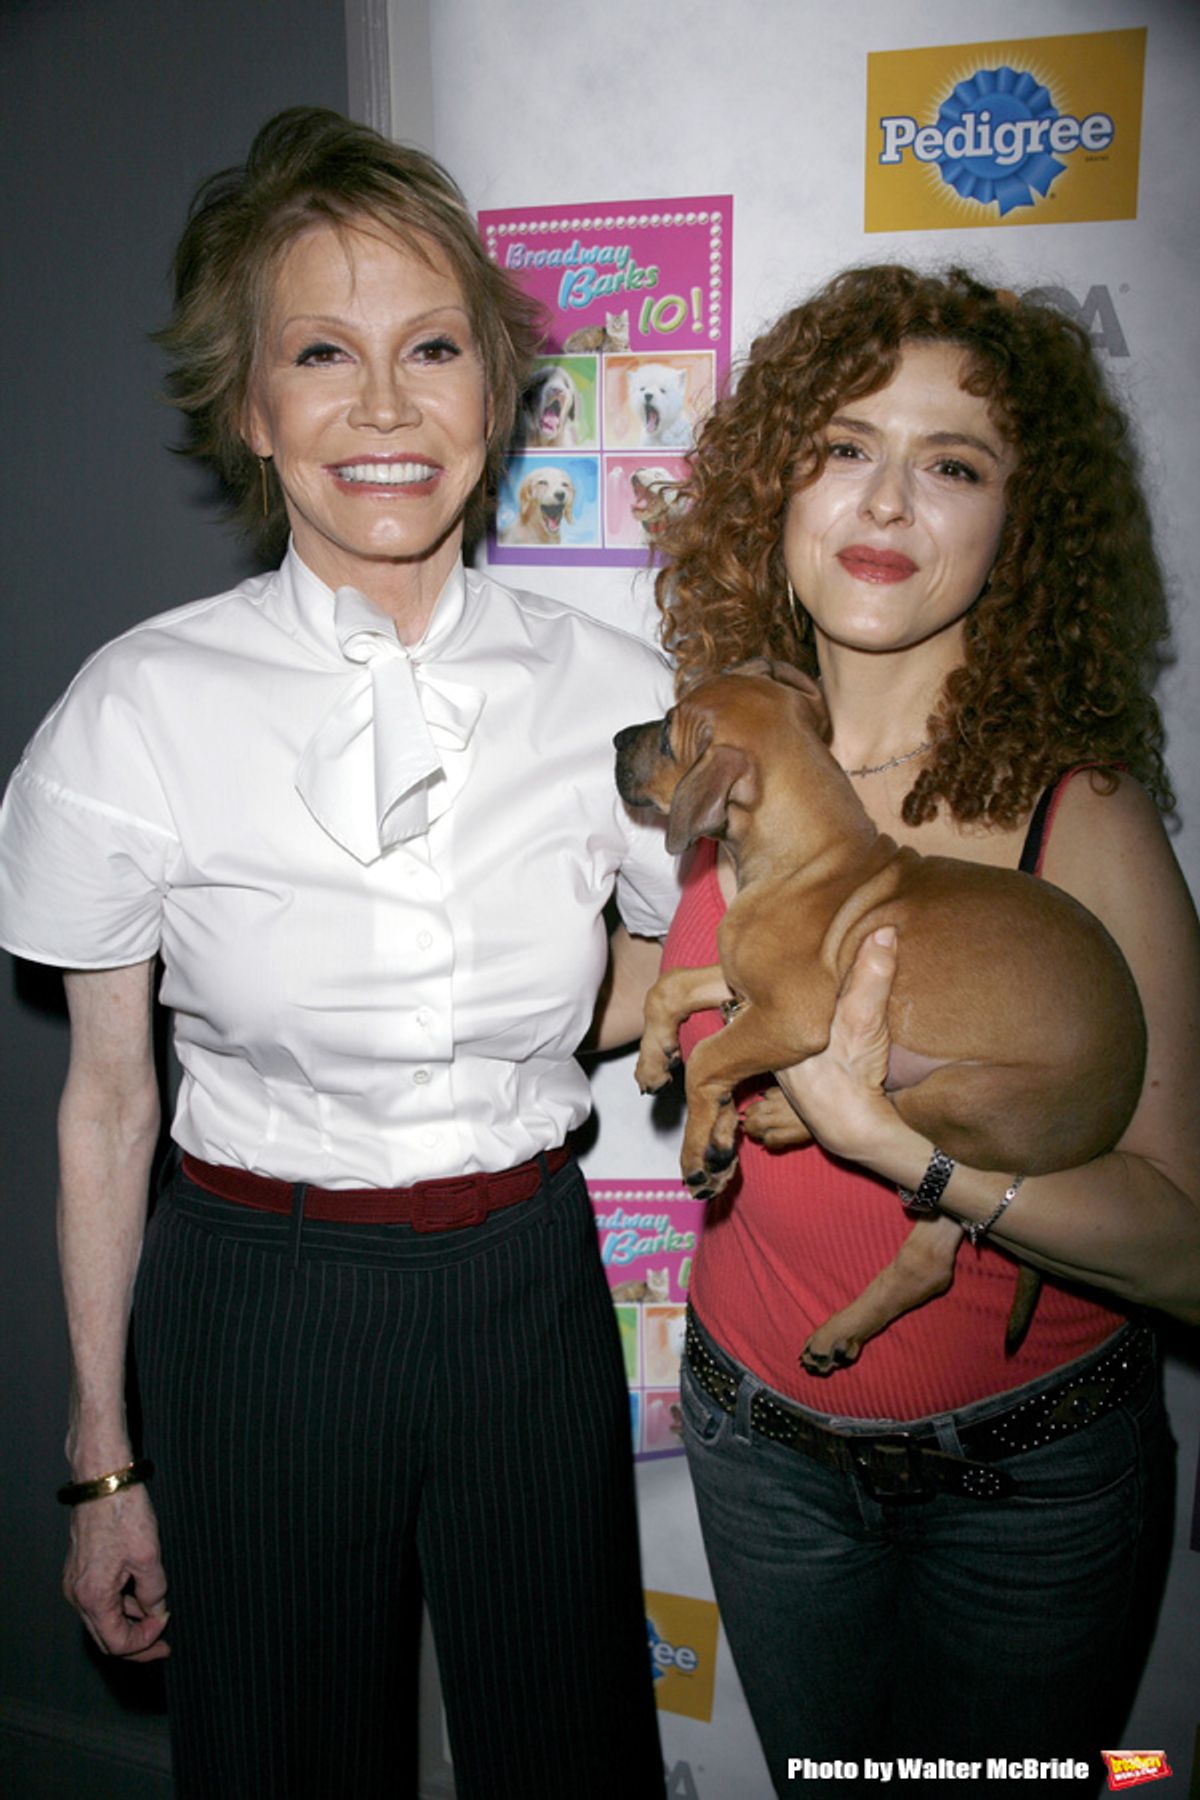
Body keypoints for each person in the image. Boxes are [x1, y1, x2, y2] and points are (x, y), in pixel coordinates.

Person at [0, 108, 674, 1800]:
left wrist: (516, 1031)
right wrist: (103, 1460)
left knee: (570, 1756)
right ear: (253, 406)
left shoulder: (617, 689)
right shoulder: (136, 708)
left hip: (530, 1287)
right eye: (322, 352)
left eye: (433, 348)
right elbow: (102, 1100)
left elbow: (687, 971)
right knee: (285, 1766)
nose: (384, 407)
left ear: (497, 392)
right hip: (258, 1301)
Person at [652, 265, 1200, 1795]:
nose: (886, 497)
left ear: (1021, 525)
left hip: (1019, 1493)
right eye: (842, 445)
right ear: (777, 483)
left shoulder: (1077, 816)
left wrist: (914, 1158)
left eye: (952, 463)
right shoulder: (743, 756)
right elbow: (689, 982)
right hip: (754, 1452)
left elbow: (1189, 1242)